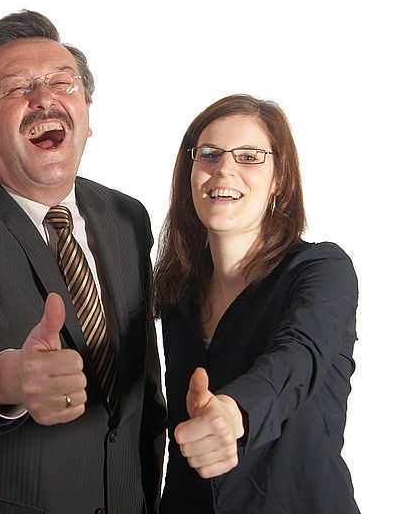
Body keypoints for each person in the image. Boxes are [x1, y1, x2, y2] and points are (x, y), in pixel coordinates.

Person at [0, 11, 166, 514]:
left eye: (61, 82)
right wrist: (9, 379)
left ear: (88, 114)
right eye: (14, 88)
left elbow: (144, 382)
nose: (43, 98)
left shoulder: (127, 215)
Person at [154, 95, 361, 513]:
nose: (224, 169)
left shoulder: (320, 270)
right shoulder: (178, 294)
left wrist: (235, 413)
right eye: (209, 154)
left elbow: (300, 356)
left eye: (249, 156)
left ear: (279, 180)